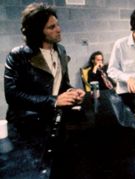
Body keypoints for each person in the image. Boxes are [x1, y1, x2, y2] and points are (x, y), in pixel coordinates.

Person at [3, 3, 85, 174]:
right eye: (52, 27)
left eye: (57, 24)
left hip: (53, 122)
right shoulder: (18, 55)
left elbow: (61, 84)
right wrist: (54, 100)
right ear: (37, 31)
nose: (59, 29)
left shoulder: (60, 51)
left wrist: (72, 91)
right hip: (26, 127)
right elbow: (12, 95)